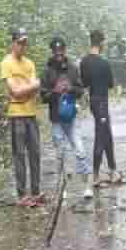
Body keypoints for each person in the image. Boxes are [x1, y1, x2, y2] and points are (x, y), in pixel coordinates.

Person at [41, 35, 94, 200]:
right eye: (56, 51)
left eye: (61, 50)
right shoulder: (47, 71)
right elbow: (43, 96)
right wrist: (55, 91)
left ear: (64, 50)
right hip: (56, 118)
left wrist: (70, 89)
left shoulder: (72, 68)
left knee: (79, 150)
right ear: (52, 51)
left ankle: (86, 185)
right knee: (61, 153)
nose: (59, 53)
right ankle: (63, 188)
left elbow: (80, 90)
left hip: (71, 117)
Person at [1, 27, 44, 207]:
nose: (22, 46)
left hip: (31, 113)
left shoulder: (29, 63)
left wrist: (25, 88)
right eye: (19, 42)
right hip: (16, 113)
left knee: (35, 153)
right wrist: (29, 86)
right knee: (19, 154)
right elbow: (15, 91)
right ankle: (22, 195)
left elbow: (37, 87)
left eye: (25, 43)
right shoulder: (6, 63)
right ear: (13, 43)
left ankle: (35, 192)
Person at [80, 29, 125, 187]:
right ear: (101, 43)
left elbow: (84, 83)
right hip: (102, 102)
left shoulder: (84, 61)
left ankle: (113, 170)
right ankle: (96, 175)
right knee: (101, 135)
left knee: (107, 134)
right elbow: (111, 84)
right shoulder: (104, 62)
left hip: (93, 102)